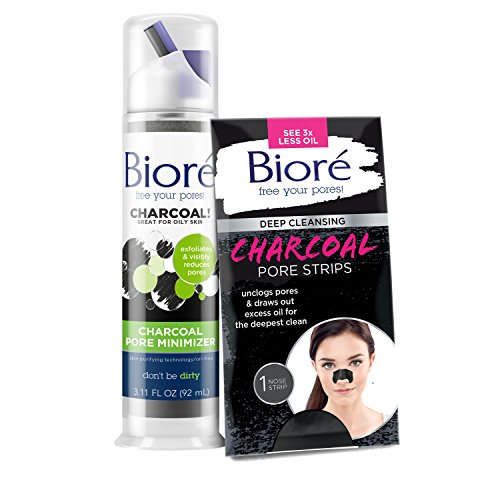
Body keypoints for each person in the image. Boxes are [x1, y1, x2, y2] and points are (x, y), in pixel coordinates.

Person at [306, 318, 383, 438]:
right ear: (315, 366)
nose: (343, 380)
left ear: (371, 361)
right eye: (328, 365)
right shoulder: (300, 434)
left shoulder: (392, 424)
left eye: (355, 362)